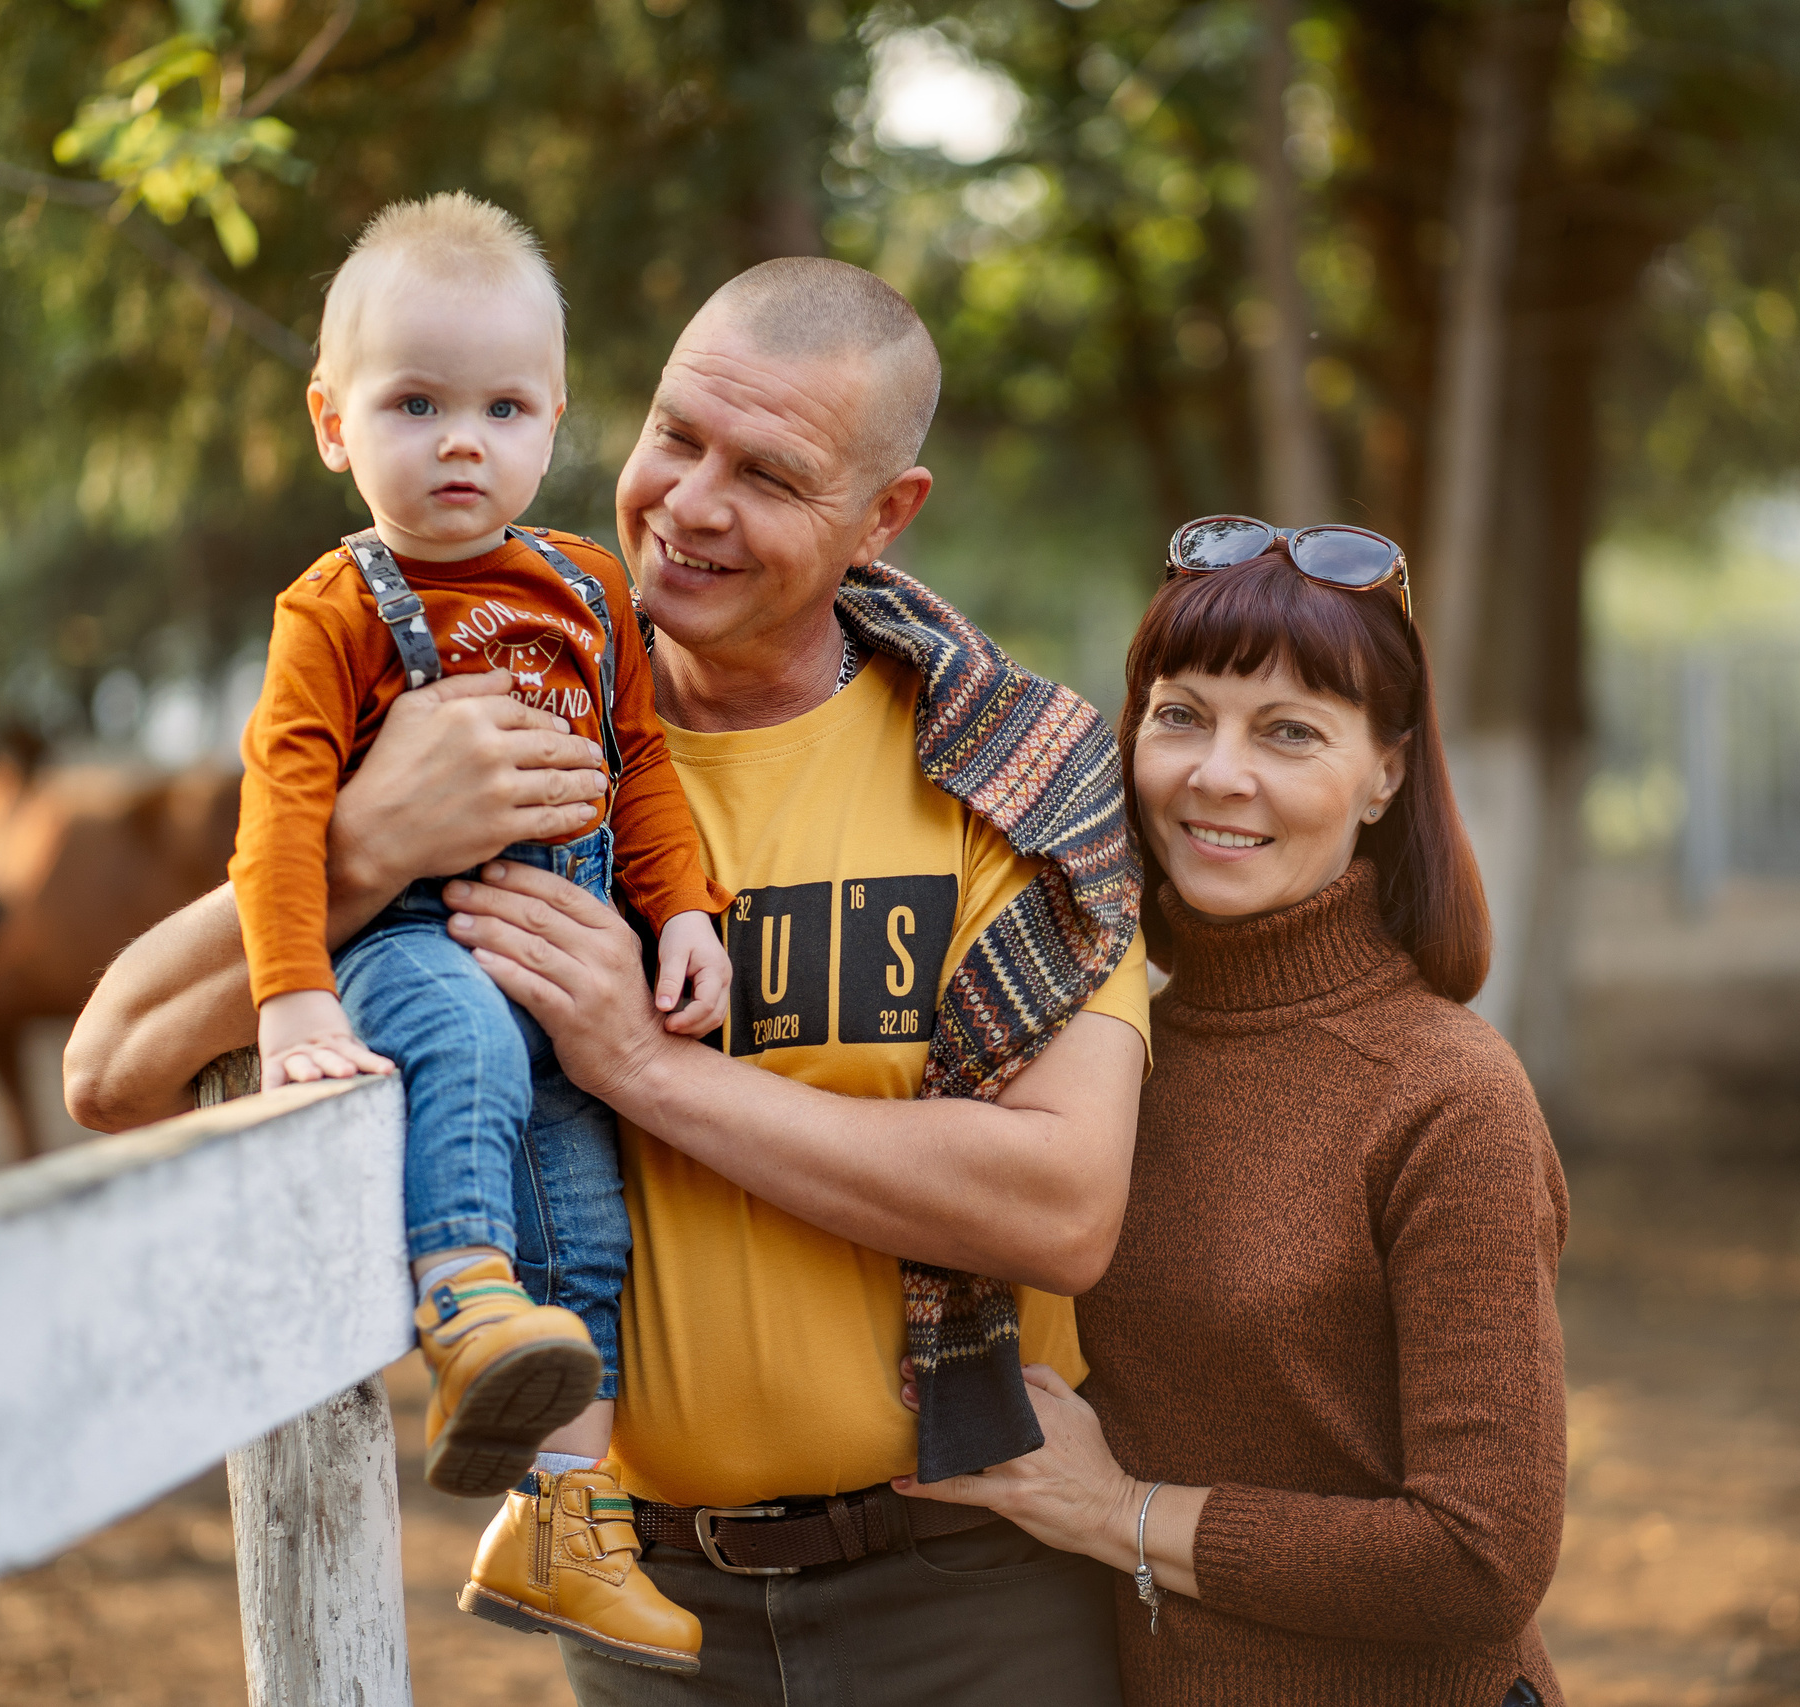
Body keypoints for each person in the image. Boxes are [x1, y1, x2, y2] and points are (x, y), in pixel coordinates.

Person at [66, 257, 1152, 1705]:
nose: (693, 502)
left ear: (885, 514)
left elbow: (1060, 1205)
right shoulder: (486, 728)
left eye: (769, 473)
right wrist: (373, 844)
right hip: (637, 1598)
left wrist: (646, 1067)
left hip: (965, 1592)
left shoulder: (1013, 776)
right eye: (675, 438)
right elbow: (113, 1069)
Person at [896, 520, 1571, 1707]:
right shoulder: (1096, 1055)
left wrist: (1121, 1514)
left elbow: (1481, 1557)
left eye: (1290, 733)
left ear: (1387, 774)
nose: (1217, 774)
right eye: (1180, 715)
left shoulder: (1448, 1094)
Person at [230, 191, 733, 1671]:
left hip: (574, 955)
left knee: (592, 1219)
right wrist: (292, 996)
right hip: (418, 940)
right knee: (451, 1034)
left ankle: (565, 1520)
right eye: (416, 402)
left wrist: (685, 909)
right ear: (335, 423)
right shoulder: (336, 607)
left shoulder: (586, 589)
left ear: (556, 417)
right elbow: (281, 813)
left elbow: (638, 768)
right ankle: (458, 1293)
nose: (463, 440)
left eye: (503, 406)